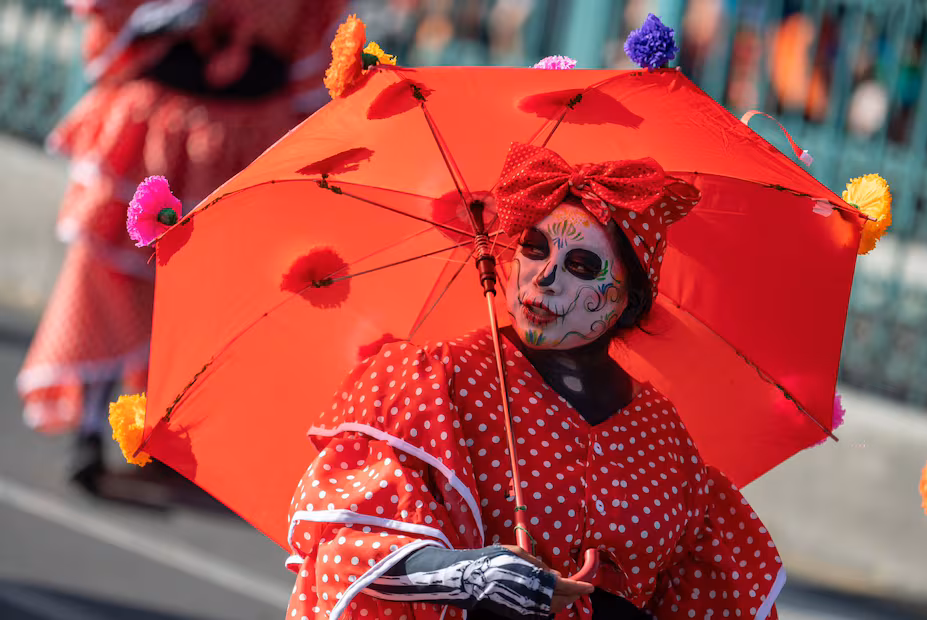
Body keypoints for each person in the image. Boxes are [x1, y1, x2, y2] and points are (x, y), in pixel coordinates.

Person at [283, 143, 784, 619]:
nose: (545, 276)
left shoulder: (662, 434)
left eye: (581, 265)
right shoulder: (440, 381)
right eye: (534, 248)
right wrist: (470, 575)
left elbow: (700, 597)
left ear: (630, 300)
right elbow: (351, 544)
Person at [16, 0, 345, 492]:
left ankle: (173, 430)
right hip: (157, 123)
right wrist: (172, 15)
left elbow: (309, 64)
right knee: (110, 280)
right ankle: (90, 428)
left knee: (212, 298)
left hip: (249, 133)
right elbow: (115, 21)